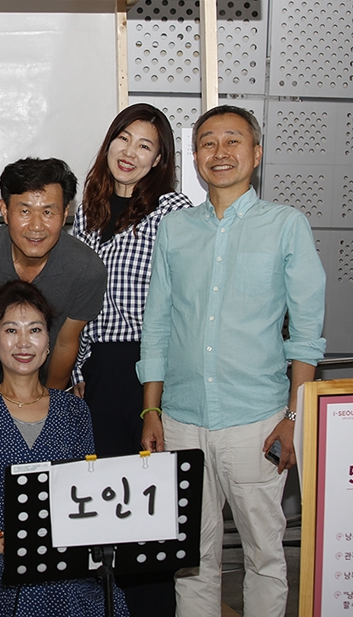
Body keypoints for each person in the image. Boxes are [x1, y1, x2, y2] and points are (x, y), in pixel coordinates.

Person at [138, 105, 326, 617]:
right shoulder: (175, 229)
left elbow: (306, 337)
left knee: (264, 556)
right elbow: (157, 326)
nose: (219, 152)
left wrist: (293, 418)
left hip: (257, 422)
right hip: (181, 421)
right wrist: (151, 410)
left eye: (233, 141)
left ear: (256, 153)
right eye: (208, 143)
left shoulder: (286, 226)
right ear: (196, 157)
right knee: (191, 560)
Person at [70, 104, 190, 615]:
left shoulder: (172, 211)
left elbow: (183, 298)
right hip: (96, 370)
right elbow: (75, 302)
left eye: (145, 145)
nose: (130, 152)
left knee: (147, 511)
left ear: (159, 159)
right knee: (102, 509)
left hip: (149, 367)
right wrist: (78, 368)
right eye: (123, 138)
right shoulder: (86, 213)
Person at [0, 280, 129, 616]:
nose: (23, 342)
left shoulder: (74, 410)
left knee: (105, 595)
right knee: (26, 585)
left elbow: (87, 490)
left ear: (48, 342)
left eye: (34, 330)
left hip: (63, 551)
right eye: (11, 330)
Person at [0, 157, 106, 423]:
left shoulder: (86, 269)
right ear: (5, 210)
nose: (36, 226)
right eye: (24, 211)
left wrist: (49, 411)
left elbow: (66, 343)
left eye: (48, 212)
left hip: (43, 385)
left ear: (65, 213)